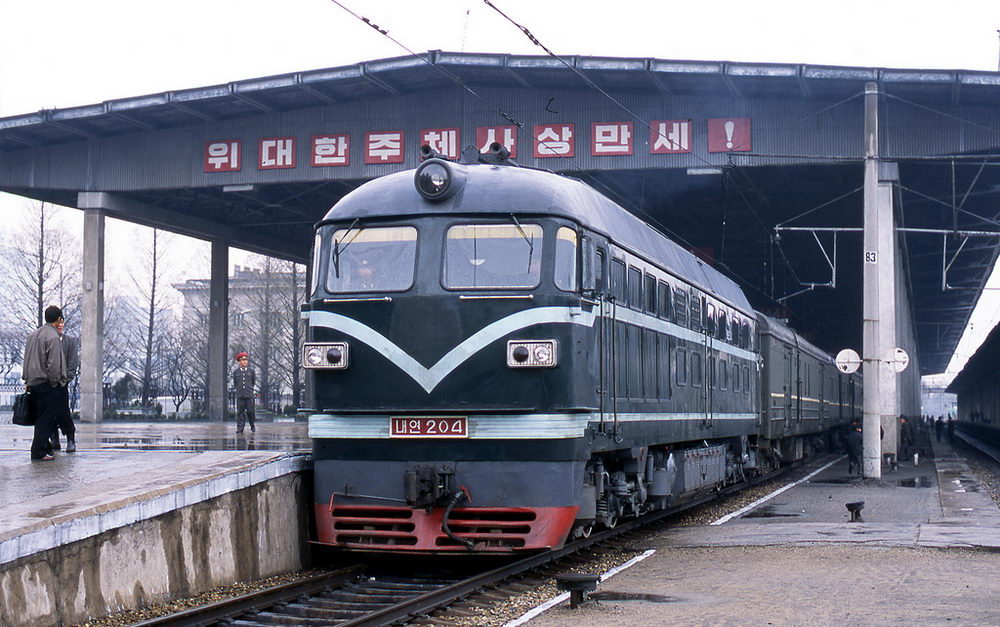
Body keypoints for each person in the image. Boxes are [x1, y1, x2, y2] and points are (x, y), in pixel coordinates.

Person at [21, 305, 68, 461]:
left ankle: (44, 448)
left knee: (39, 418)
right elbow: (53, 364)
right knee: (45, 419)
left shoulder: (32, 335)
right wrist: (56, 382)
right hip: (46, 384)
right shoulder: (53, 337)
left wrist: (26, 379)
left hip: (32, 382)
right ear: (58, 319)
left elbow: (27, 359)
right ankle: (39, 451)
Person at [50, 319, 78, 453]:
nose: (60, 325)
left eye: (62, 323)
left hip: (62, 383)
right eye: (57, 323)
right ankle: (54, 438)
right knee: (49, 413)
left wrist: (66, 379)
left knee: (63, 412)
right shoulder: (48, 340)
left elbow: (73, 363)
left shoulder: (70, 341)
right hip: (48, 383)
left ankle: (70, 438)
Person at [232, 352, 256, 434]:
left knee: (250, 411)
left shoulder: (251, 371)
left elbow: (253, 382)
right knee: (240, 412)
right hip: (240, 395)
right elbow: (235, 383)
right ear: (239, 362)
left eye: (246, 360)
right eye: (243, 360)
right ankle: (240, 428)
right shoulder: (236, 372)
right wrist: (239, 390)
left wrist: (250, 390)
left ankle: (252, 425)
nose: (245, 362)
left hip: (249, 395)